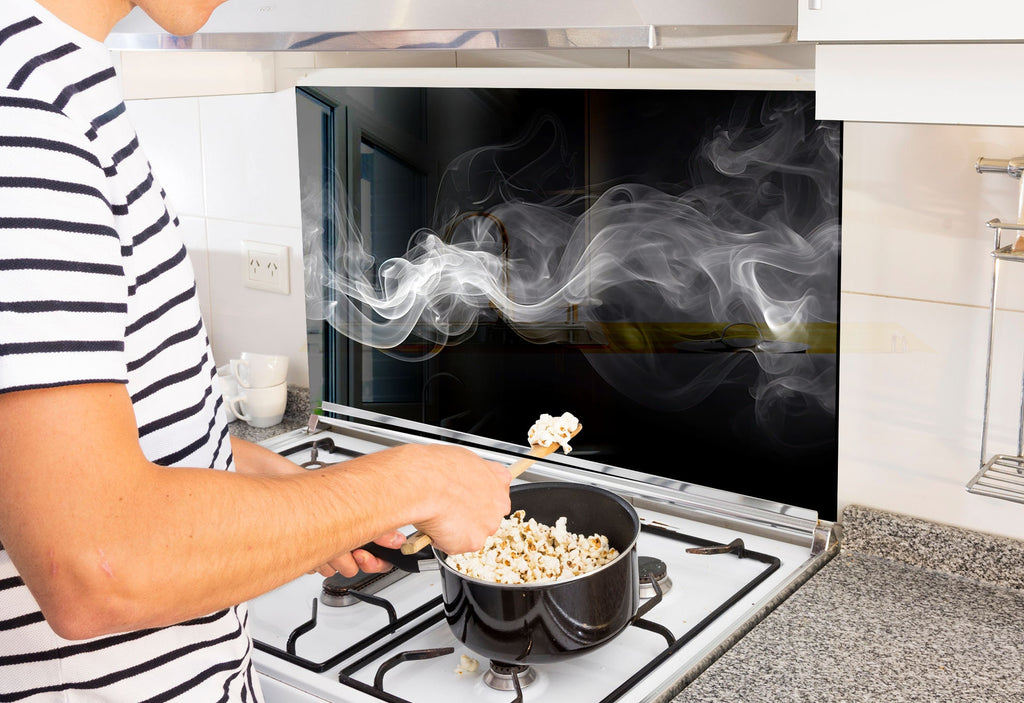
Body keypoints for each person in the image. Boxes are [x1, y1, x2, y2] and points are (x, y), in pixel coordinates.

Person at [0, 0, 512, 699]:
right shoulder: (24, 115)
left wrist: (299, 499)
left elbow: (93, 451)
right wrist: (416, 480)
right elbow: (95, 563)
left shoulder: (57, 80)